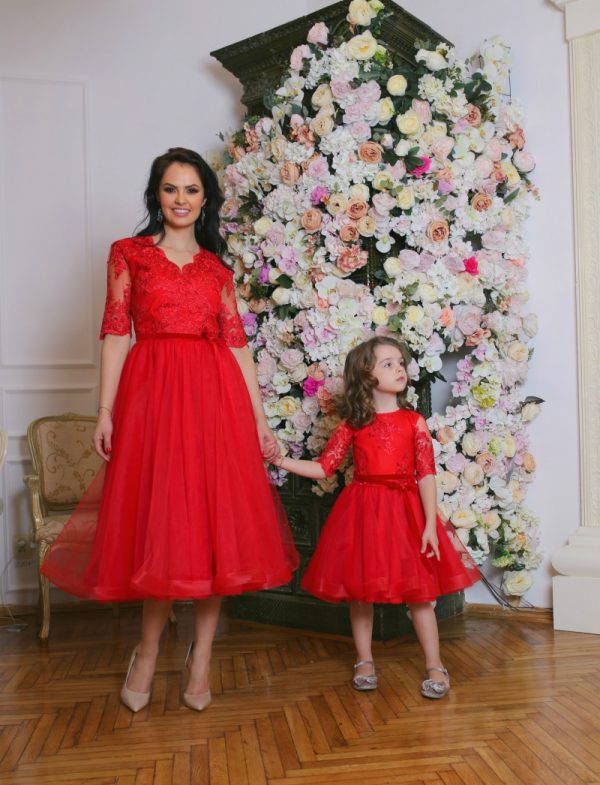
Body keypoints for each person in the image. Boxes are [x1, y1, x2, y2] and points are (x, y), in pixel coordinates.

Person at [41, 147, 298, 713]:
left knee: (214, 536)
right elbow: (115, 333)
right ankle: (148, 650)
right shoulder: (128, 254)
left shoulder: (217, 270)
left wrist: (259, 422)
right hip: (153, 400)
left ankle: (201, 658)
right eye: (170, 188)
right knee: (163, 528)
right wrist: (105, 410)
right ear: (156, 194)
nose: (181, 199)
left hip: (215, 405)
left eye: (191, 190)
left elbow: (237, 349)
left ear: (205, 200)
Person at [270, 336, 479, 699]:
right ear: (366, 375)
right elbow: (324, 468)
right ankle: (364, 659)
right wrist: (279, 460)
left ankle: (434, 663)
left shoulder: (414, 422)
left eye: (400, 362)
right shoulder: (353, 425)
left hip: (406, 511)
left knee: (421, 592)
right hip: (364, 511)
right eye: (388, 364)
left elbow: (426, 474)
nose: (399, 368)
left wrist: (430, 524)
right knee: (361, 591)